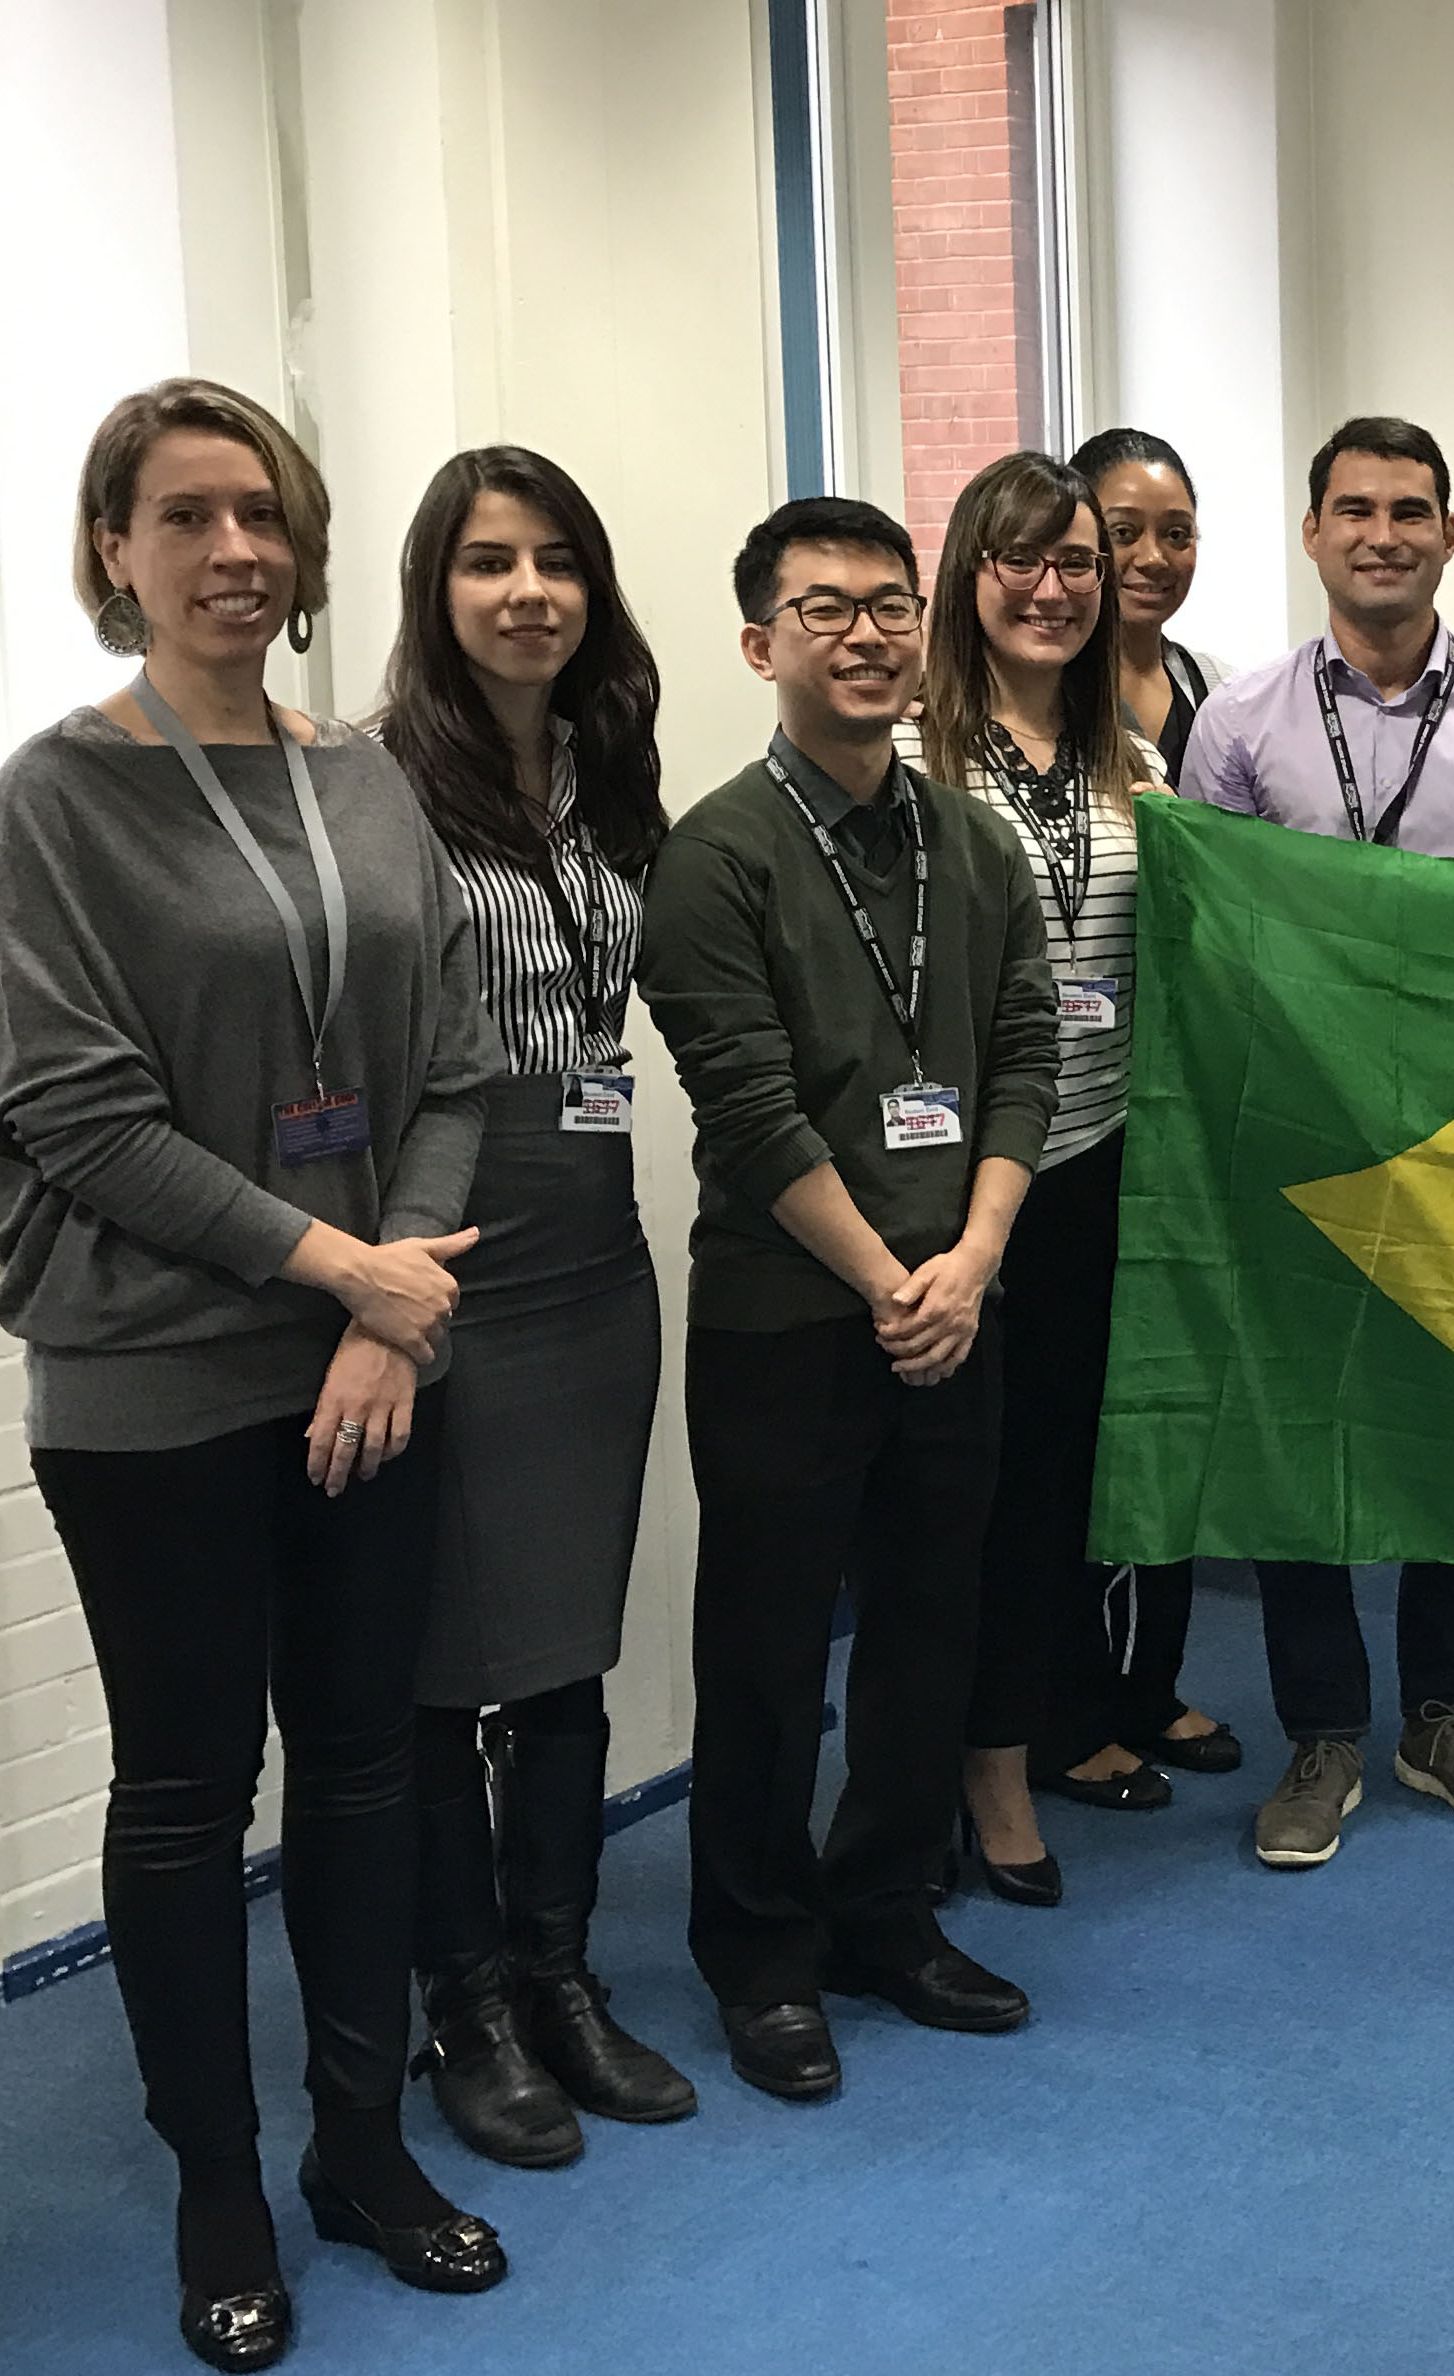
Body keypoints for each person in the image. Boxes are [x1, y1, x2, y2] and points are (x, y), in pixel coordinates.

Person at [0, 379, 509, 2370]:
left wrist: (385, 1312)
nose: (234, 551)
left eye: (264, 514)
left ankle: (360, 2147)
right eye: (188, 515)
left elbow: (448, 1063)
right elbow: (76, 1113)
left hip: (370, 1367)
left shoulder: (364, 776)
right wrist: (348, 1268)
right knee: (191, 1788)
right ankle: (217, 2183)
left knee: (366, 1764)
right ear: (112, 548)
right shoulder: (58, 795)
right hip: (153, 1379)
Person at [638, 496, 1063, 2101]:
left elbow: (1027, 1053)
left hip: (957, 1297)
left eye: (891, 604)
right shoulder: (714, 857)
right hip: (791, 1320)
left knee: (927, 1630)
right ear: (763, 645)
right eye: (826, 610)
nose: (869, 634)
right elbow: (749, 1113)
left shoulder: (973, 841)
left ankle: (885, 1909)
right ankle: (758, 1953)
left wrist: (976, 1260)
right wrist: (897, 1283)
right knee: (763, 1655)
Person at [1183, 414, 1454, 1866]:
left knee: (1453, 1421)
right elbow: (1219, 937)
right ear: (1313, 533)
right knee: (1297, 1425)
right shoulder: (1239, 723)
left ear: (1448, 534)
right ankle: (1322, 1730)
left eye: (1410, 510)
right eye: (1354, 509)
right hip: (1296, 1126)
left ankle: (1439, 1712)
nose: (1383, 534)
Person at [374, 449, 696, 2168]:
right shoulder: (376, 785)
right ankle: (468, 2004)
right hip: (441, 1238)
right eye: (489, 561)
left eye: (557, 560)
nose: (527, 592)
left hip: (592, 1243)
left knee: (569, 1641)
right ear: (437, 591)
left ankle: (562, 1975)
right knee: (445, 1657)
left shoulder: (605, 768)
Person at [915, 450, 1235, 1906]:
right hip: (946, 1188)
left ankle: (1024, 1733)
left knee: (1051, 1476)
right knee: (951, 1492)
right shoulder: (914, 749)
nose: (1052, 590)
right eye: (1021, 560)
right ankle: (957, 1769)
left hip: (1093, 1164)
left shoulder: (1134, 761)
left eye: (1077, 565)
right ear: (969, 573)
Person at [1069, 426, 1227, 784]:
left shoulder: (1220, 691)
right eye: (1123, 533)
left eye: (1176, 534)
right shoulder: (1035, 694)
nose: (1153, 558)